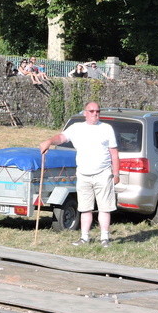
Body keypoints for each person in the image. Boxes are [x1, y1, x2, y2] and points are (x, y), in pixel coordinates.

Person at [39, 102, 119, 247]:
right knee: (85, 208)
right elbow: (62, 138)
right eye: (92, 111)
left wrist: (116, 173)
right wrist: (49, 141)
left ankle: (105, 238)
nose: (95, 114)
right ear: (85, 113)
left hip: (103, 174)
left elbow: (114, 153)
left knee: (104, 208)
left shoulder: (107, 129)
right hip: (83, 174)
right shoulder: (77, 128)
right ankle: (84, 238)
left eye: (97, 111)